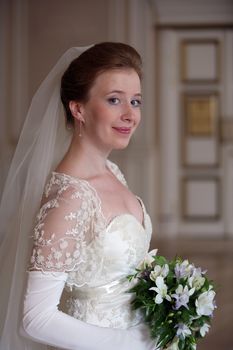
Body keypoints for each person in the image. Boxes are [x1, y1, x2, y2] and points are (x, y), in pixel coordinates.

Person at [0, 42, 155, 350]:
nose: (129, 115)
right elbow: (36, 319)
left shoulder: (112, 172)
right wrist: (133, 343)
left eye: (135, 102)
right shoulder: (71, 197)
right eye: (114, 100)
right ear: (78, 108)